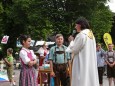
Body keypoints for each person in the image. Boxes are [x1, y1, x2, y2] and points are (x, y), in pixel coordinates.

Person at [67, 17, 99, 86]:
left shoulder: (81, 35)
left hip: (81, 62)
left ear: (80, 25)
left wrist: (71, 41)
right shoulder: (91, 35)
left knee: (81, 80)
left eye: (76, 25)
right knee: (89, 79)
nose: (75, 27)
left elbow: (74, 49)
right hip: (89, 62)